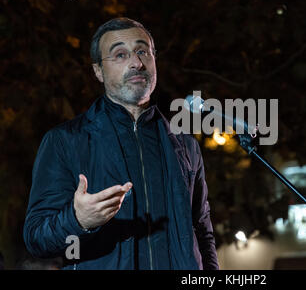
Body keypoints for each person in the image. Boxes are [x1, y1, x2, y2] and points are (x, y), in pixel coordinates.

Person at [23, 17, 219, 270]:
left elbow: (203, 231)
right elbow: (36, 238)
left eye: (142, 52)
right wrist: (78, 220)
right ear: (98, 71)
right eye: (120, 55)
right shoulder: (65, 141)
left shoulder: (185, 144)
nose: (136, 63)